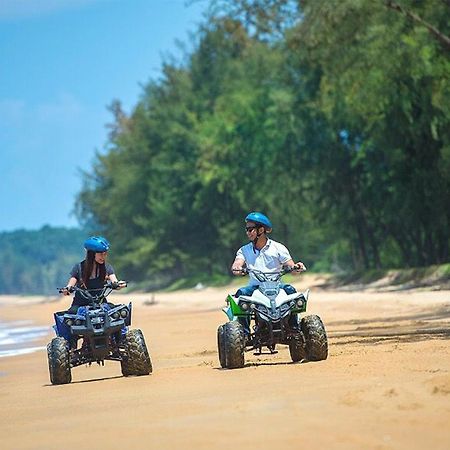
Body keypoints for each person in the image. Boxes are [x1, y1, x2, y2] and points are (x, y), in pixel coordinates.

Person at [231, 212, 306, 297]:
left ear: (261, 230)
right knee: (240, 294)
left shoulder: (279, 248)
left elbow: (293, 269)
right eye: (246, 229)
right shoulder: (244, 250)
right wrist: (237, 268)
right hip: (254, 288)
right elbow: (237, 263)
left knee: (291, 291)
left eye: (250, 229)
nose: (248, 233)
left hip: (277, 287)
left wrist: (297, 267)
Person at [61, 236, 126, 313]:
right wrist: (67, 290)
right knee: (69, 316)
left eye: (105, 254)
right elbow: (70, 285)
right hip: (80, 305)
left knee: (119, 312)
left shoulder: (107, 267)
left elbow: (114, 281)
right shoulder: (78, 268)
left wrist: (118, 285)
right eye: (101, 254)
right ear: (91, 254)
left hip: (101, 304)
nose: (104, 257)